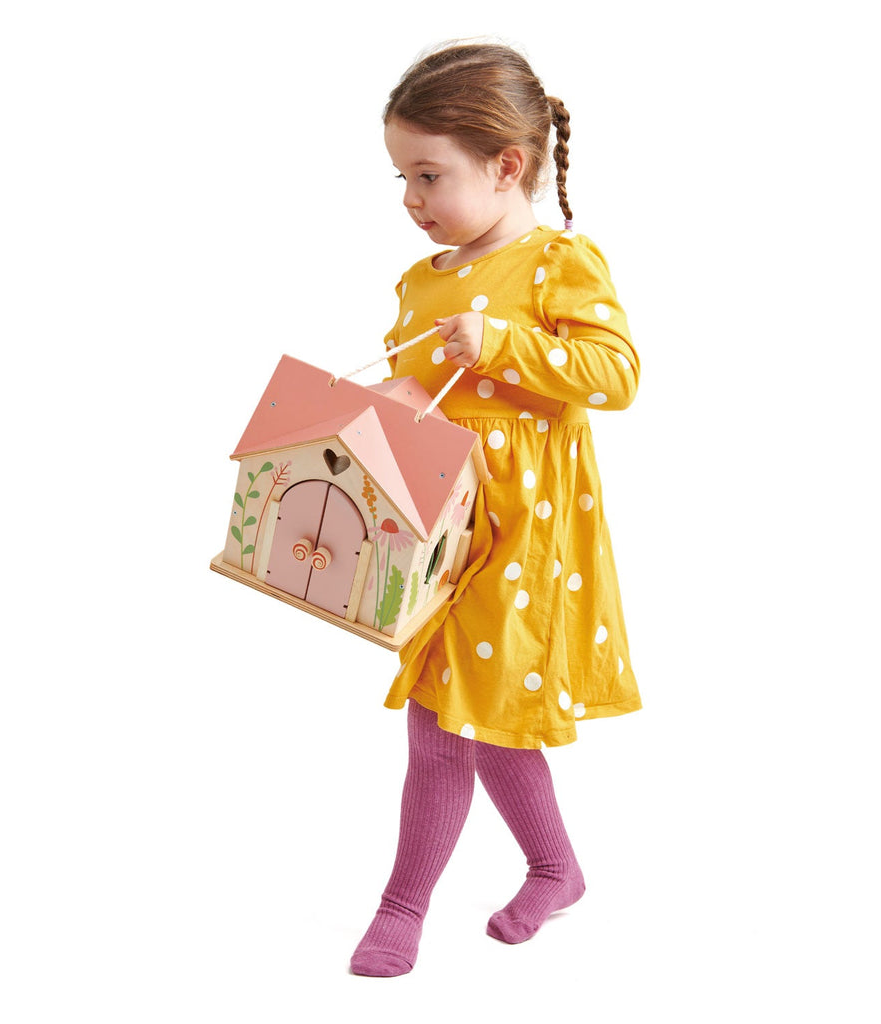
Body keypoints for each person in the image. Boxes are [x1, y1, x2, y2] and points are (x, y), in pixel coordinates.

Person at [350, 40, 641, 978]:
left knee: (448, 721)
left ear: (507, 166)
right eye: (403, 177)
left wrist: (504, 340)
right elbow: (425, 397)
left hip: (524, 538)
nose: (411, 198)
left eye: (429, 175)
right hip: (440, 535)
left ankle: (402, 908)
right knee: (479, 711)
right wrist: (377, 408)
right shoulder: (422, 281)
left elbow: (616, 375)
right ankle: (557, 869)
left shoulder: (558, 262)